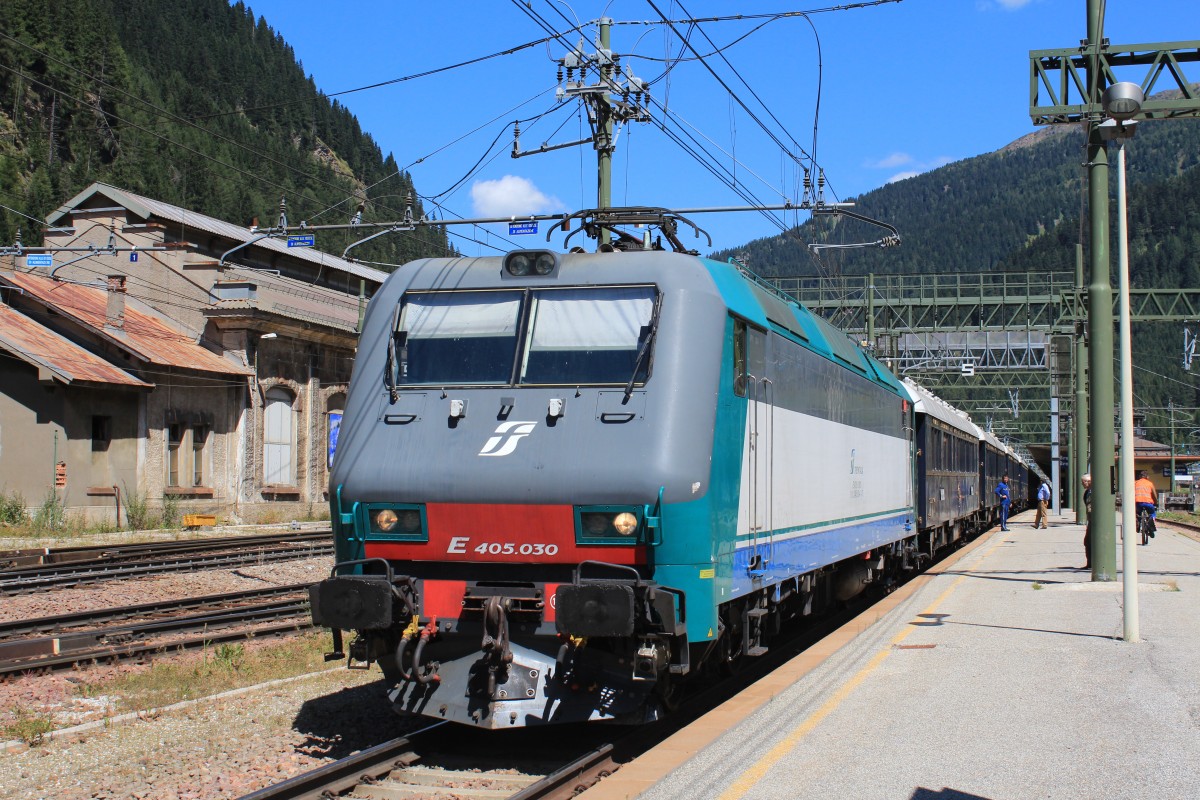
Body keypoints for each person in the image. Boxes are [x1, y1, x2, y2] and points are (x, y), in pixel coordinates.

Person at [1134, 469, 1159, 538]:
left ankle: (1138, 522)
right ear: (1147, 477)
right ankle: (1151, 522)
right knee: (1152, 513)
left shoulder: (1135, 483)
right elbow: (1154, 495)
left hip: (1138, 503)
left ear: (1139, 477)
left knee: (1137, 513)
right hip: (1148, 503)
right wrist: (1156, 502)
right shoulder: (1150, 483)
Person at [1081, 474, 1093, 570]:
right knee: (1087, 542)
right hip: (1090, 520)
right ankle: (1089, 563)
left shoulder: (1094, 491)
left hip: (1094, 520)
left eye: (1083, 482)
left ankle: (1091, 564)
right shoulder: (1087, 492)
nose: (1082, 484)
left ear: (1088, 481)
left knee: (1089, 542)